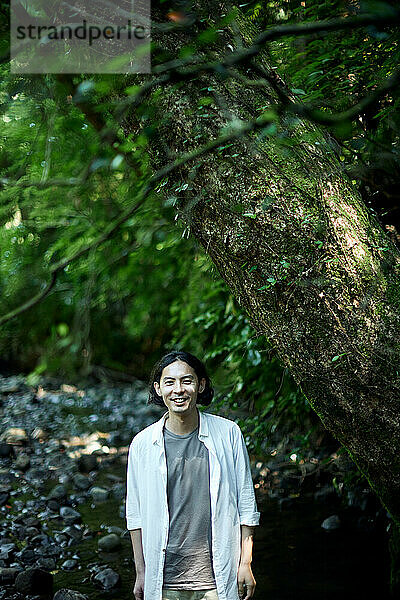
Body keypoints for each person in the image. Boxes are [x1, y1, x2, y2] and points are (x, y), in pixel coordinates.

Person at [126, 350, 260, 600]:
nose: (179, 389)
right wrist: (141, 571)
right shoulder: (142, 444)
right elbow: (135, 515)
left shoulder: (228, 434)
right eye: (170, 382)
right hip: (164, 578)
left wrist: (245, 563)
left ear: (201, 385)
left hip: (217, 578)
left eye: (187, 381)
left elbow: (246, 503)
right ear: (158, 389)